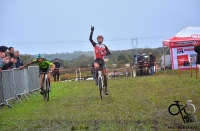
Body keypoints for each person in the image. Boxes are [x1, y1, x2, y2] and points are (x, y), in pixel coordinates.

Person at [89, 26, 111, 95]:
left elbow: (109, 53)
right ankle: (96, 79)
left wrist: (105, 53)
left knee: (105, 75)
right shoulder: (95, 45)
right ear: (97, 39)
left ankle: (106, 89)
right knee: (96, 67)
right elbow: (90, 39)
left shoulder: (105, 46)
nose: (100, 40)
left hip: (102, 61)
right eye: (99, 39)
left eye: (101, 39)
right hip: (96, 60)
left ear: (103, 40)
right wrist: (92, 31)